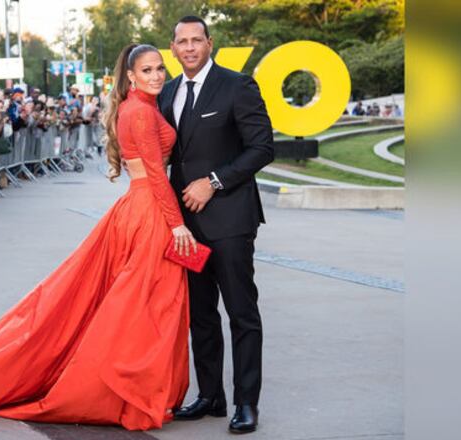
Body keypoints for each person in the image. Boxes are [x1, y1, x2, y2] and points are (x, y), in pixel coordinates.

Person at [0, 44, 198, 431]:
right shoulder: (141, 112)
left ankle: (131, 389)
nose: (156, 75)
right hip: (149, 212)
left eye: (160, 68)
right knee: (144, 306)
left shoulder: (139, 107)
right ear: (130, 76)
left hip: (137, 208)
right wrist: (176, 223)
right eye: (147, 70)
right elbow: (156, 175)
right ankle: (119, 391)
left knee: (137, 303)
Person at [157, 15, 274, 434]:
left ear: (210, 43)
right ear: (172, 48)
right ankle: (211, 396)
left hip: (230, 218)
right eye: (182, 42)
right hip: (184, 226)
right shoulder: (166, 91)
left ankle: (246, 403)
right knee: (200, 315)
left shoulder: (237, 85)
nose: (189, 48)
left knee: (242, 313)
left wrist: (214, 182)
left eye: (196, 40)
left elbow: (263, 147)